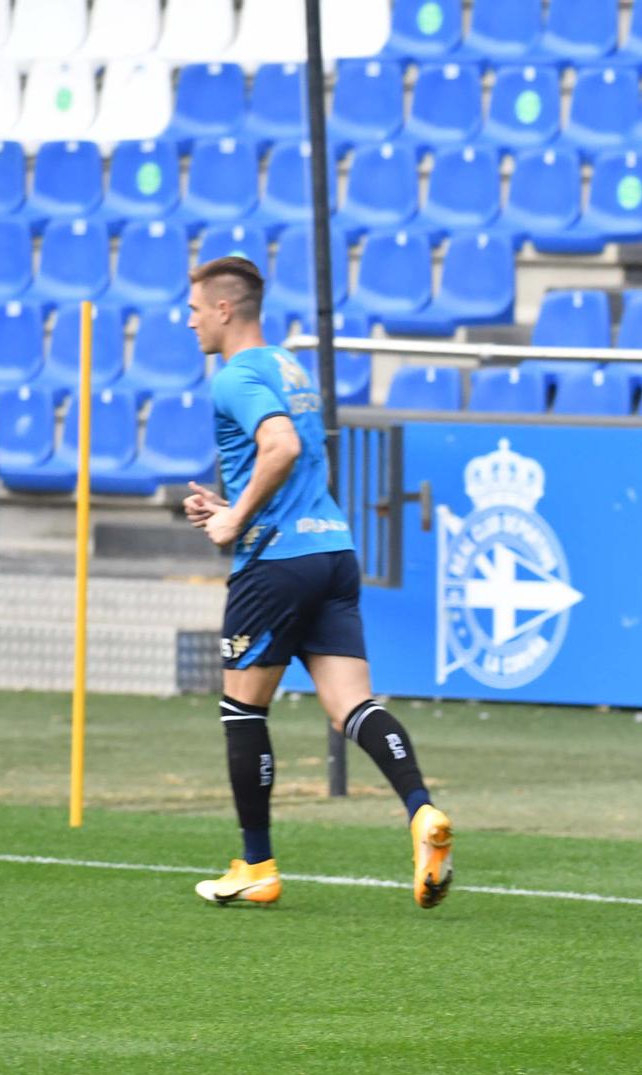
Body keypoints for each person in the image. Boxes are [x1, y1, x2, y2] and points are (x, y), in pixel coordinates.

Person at [181, 256, 453, 909]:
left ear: (224, 308)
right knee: (352, 706)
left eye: (194, 308)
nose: (188, 321)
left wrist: (236, 520)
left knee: (242, 709)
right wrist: (228, 506)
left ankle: (257, 865)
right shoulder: (288, 367)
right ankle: (421, 811)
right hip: (331, 550)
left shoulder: (235, 376)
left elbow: (281, 448)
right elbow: (284, 462)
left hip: (274, 561)